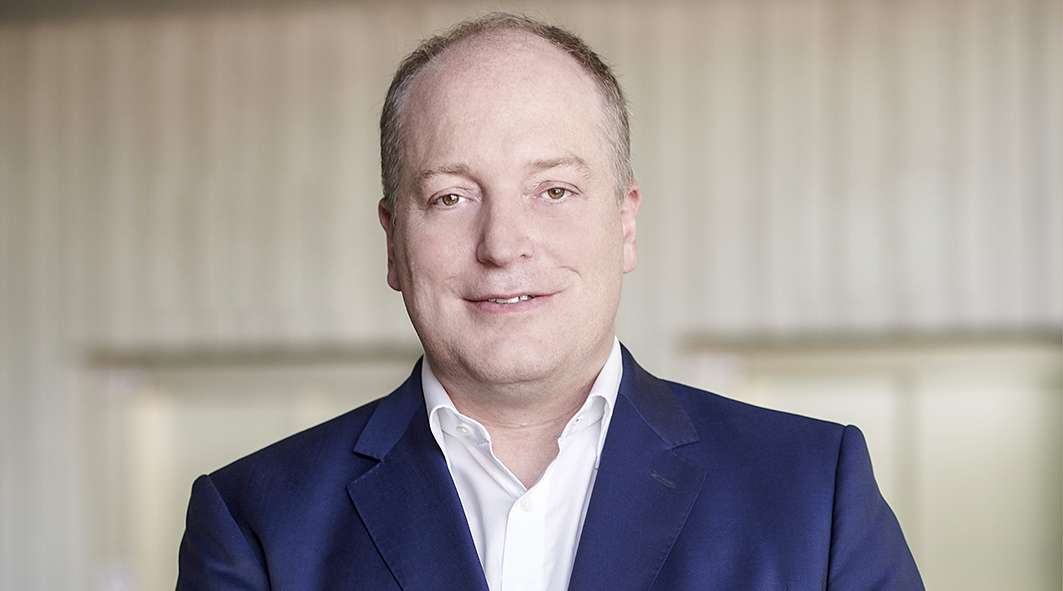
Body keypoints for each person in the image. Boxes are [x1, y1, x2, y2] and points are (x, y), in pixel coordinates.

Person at [177, 12, 924, 591]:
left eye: (555, 190)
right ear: (393, 243)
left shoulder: (813, 492)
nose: (503, 244)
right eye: (450, 197)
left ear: (625, 223)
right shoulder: (254, 523)